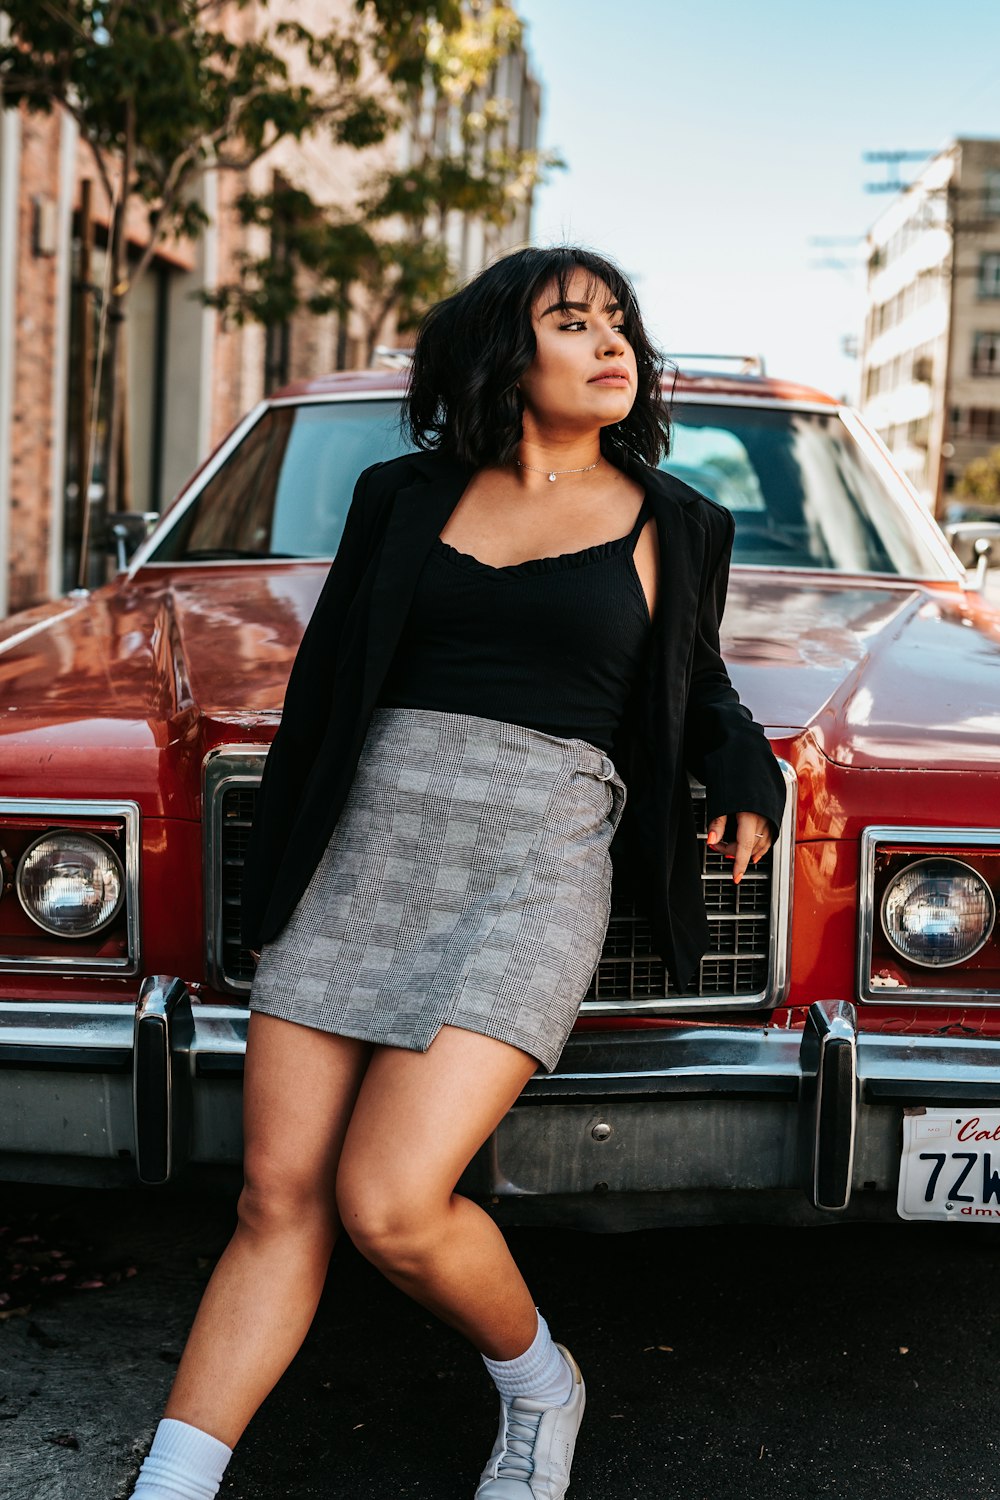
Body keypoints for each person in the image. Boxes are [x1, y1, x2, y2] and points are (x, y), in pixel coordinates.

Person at [128, 244, 786, 1500]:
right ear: (503, 350)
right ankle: (172, 1481)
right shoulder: (399, 496)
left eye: (621, 325)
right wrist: (275, 888)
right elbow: (327, 687)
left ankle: (541, 1383)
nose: (612, 345)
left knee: (388, 1201)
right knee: (277, 1195)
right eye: (573, 322)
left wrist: (741, 768)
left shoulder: (677, 519)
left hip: (532, 863)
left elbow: (693, 684)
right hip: (366, 847)